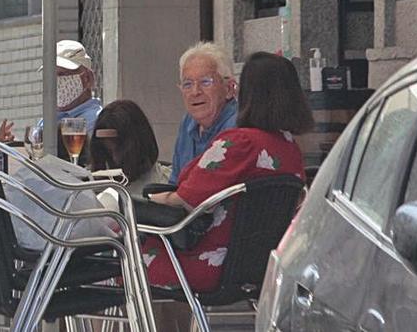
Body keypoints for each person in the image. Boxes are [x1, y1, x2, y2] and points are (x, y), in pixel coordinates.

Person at [145, 52, 312, 296]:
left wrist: (147, 202)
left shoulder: (239, 143)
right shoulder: (290, 150)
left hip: (209, 263)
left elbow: (186, 199)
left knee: (121, 256)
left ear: (247, 94)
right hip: (260, 266)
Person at [169, 42, 239, 183]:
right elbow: (175, 182)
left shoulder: (239, 126)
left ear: (229, 89)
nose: (195, 92)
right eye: (187, 84)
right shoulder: (188, 121)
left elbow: (213, 188)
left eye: (205, 82)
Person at [25, 40, 105, 148]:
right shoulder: (46, 120)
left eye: (63, 74)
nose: (57, 81)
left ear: (87, 79)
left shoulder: (96, 121)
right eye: (51, 75)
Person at [88, 100, 170, 198]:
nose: (114, 158)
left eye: (118, 149)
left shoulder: (166, 185)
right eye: (108, 152)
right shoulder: (91, 184)